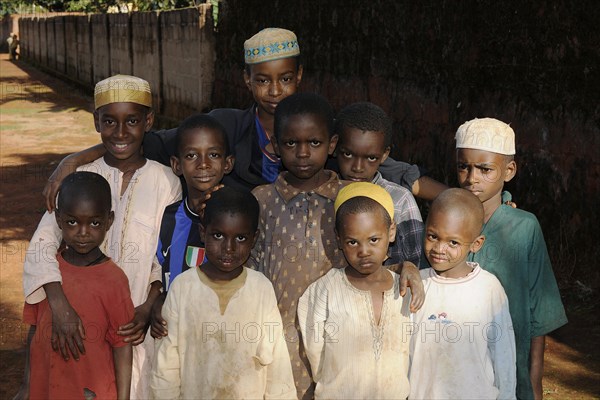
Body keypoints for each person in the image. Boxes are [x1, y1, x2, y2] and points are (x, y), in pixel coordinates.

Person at [41, 28, 447, 209]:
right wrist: (73, 160)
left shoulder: (318, 129)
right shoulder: (224, 126)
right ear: (246, 81)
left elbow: (391, 168)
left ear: (299, 77)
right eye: (263, 81)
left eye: (285, 79)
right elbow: (142, 141)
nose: (275, 92)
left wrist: (465, 200)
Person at [250, 92, 423, 399]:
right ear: (275, 147)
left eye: (314, 143)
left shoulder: (351, 197)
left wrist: (404, 265)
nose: (303, 153)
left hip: (337, 349)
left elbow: (372, 258)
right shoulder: (262, 201)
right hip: (273, 342)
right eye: (291, 143)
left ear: (330, 145)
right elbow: (248, 268)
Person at [22, 75, 182, 399]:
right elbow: (43, 243)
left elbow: (165, 254)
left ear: (148, 121)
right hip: (78, 324)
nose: (120, 133)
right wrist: (60, 304)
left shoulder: (167, 181)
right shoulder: (80, 177)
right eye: (109, 121)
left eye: (132, 121)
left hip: (136, 325)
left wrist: (148, 306)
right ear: (96, 121)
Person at [455, 117, 567, 399]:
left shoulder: (523, 227)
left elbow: (538, 313)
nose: (472, 178)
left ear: (509, 170)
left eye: (485, 169)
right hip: (453, 364)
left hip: (507, 368)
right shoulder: (446, 221)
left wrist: (534, 383)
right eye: (463, 167)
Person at [150, 187, 297, 399]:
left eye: (240, 238)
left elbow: (277, 363)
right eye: (218, 235)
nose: (229, 248)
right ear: (203, 233)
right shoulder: (182, 287)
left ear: (254, 239)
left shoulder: (260, 288)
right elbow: (166, 366)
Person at [297, 182, 422, 399]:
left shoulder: (405, 289)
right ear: (339, 239)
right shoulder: (325, 290)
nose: (364, 251)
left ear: (391, 232)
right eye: (352, 242)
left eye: (374, 240)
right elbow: (315, 353)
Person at [20, 171, 135, 399]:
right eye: (72, 222)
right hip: (44, 388)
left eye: (94, 223)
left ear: (109, 221)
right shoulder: (47, 273)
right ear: (59, 219)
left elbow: (122, 345)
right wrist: (26, 386)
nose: (83, 233)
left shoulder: (114, 280)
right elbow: (34, 330)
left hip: (90, 391)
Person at [408, 188, 516, 399]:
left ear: (476, 244)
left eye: (453, 242)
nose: (439, 248)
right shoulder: (417, 284)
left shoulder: (488, 289)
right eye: (433, 236)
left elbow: (503, 354)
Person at [150, 113, 234, 339]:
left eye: (213, 154)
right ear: (176, 165)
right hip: (174, 338)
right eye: (191, 155)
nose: (203, 164)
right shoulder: (166, 218)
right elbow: (157, 270)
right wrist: (158, 300)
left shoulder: (238, 217)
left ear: (228, 163)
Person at [334, 102, 426, 268]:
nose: (358, 167)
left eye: (370, 158)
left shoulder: (399, 200)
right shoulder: (324, 196)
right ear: (333, 147)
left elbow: (417, 263)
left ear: (384, 155)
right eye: (348, 154)